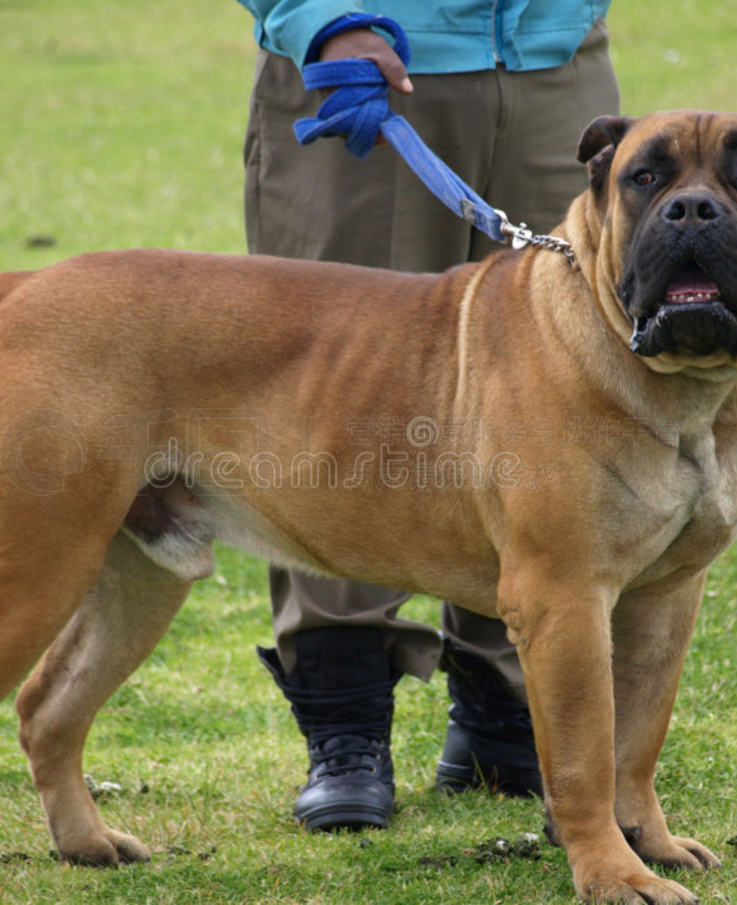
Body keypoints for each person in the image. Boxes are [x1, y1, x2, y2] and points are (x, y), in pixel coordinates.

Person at [236, 0, 620, 832]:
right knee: (348, 400)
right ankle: (345, 723)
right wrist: (319, 18)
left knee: (549, 398)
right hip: (365, 55)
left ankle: (503, 710)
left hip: (554, 60)